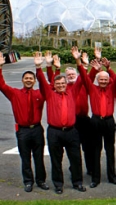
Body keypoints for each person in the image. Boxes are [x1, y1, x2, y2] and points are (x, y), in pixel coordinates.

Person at [34, 52, 86, 194]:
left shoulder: (72, 92)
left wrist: (79, 61)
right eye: (58, 84)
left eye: (63, 83)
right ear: (54, 85)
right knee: (56, 160)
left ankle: (77, 182)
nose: (61, 85)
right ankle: (58, 184)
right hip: (54, 132)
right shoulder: (50, 94)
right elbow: (42, 81)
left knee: (76, 158)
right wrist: (39, 66)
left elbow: (82, 79)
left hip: (71, 131)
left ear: (66, 84)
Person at [72, 46, 116, 188]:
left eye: (106, 79)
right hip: (95, 121)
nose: (104, 81)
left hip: (109, 121)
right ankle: (96, 178)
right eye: (101, 79)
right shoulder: (92, 88)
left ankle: (112, 176)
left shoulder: (112, 88)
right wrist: (78, 61)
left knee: (110, 149)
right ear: (97, 80)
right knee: (95, 150)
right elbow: (83, 75)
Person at [0, 52, 48, 193]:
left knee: (39, 157)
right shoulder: (15, 94)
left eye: (31, 78)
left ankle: (41, 180)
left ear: (34, 81)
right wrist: (0, 67)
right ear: (22, 80)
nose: (28, 80)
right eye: (26, 78)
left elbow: (47, 86)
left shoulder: (40, 93)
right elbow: (1, 85)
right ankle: (28, 181)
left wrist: (39, 67)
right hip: (23, 131)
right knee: (25, 158)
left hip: (37, 129)